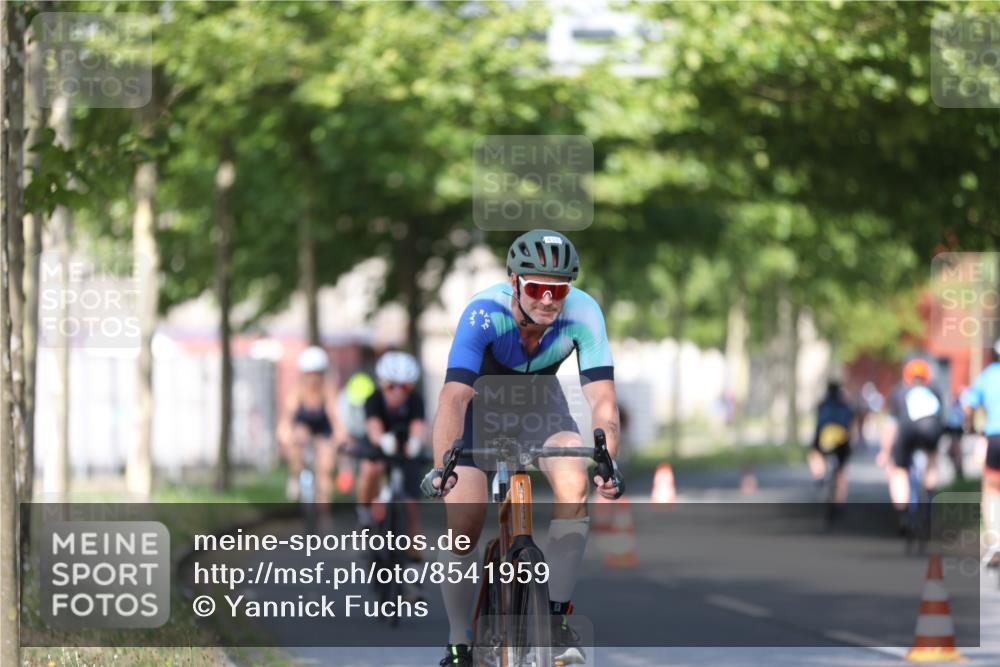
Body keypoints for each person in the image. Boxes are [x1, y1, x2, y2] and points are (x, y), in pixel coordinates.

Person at [422, 229, 622, 667]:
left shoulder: (585, 313)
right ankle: (459, 638)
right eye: (536, 288)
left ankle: (556, 618)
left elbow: (602, 398)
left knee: (574, 482)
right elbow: (454, 397)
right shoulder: (483, 313)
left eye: (559, 290)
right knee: (465, 517)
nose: (548, 299)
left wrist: (609, 458)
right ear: (514, 281)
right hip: (481, 408)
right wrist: (444, 467)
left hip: (541, 408)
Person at [354, 351, 428, 531]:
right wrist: (382, 440)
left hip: (405, 447)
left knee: (411, 502)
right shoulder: (374, 399)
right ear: (382, 384)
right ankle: (364, 512)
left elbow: (419, 425)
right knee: (371, 469)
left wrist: (416, 442)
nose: (397, 392)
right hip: (379, 445)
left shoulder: (416, 400)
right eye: (391, 386)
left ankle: (411, 549)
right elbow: (374, 427)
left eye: (404, 387)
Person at [877, 358, 943, 531]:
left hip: (907, 431)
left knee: (898, 470)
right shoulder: (934, 390)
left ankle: (903, 515)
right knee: (932, 460)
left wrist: (885, 451)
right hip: (931, 430)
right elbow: (941, 418)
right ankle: (928, 497)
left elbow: (891, 425)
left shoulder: (900, 391)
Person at [276, 346, 343, 506]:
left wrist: (340, 435)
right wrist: (284, 431)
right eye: (310, 374)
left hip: (323, 430)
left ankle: (323, 517)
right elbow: (287, 416)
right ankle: (295, 478)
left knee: (325, 471)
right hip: (303, 428)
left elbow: (335, 417)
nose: (314, 378)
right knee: (298, 437)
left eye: (317, 373)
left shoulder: (328, 390)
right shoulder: (298, 391)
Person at [962, 339, 1000, 568]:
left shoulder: (987, 375)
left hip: (995, 437)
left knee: (991, 488)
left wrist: (970, 426)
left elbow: (969, 404)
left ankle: (996, 540)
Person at [807, 381, 854, 514]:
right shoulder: (846, 405)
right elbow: (850, 426)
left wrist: (814, 445)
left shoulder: (822, 405)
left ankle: (819, 476)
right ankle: (840, 502)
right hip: (842, 439)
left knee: (814, 454)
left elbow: (818, 425)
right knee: (841, 470)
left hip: (824, 437)